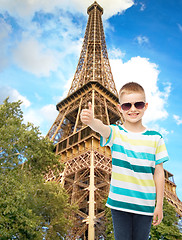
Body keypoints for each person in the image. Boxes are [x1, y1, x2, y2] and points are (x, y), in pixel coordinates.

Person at [80, 82, 169, 240]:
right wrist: (92, 122)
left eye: (138, 104)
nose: (133, 109)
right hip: (120, 203)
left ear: (145, 106)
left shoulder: (156, 137)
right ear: (119, 108)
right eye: (127, 105)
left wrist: (159, 204)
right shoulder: (116, 132)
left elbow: (159, 171)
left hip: (145, 204)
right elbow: (103, 128)